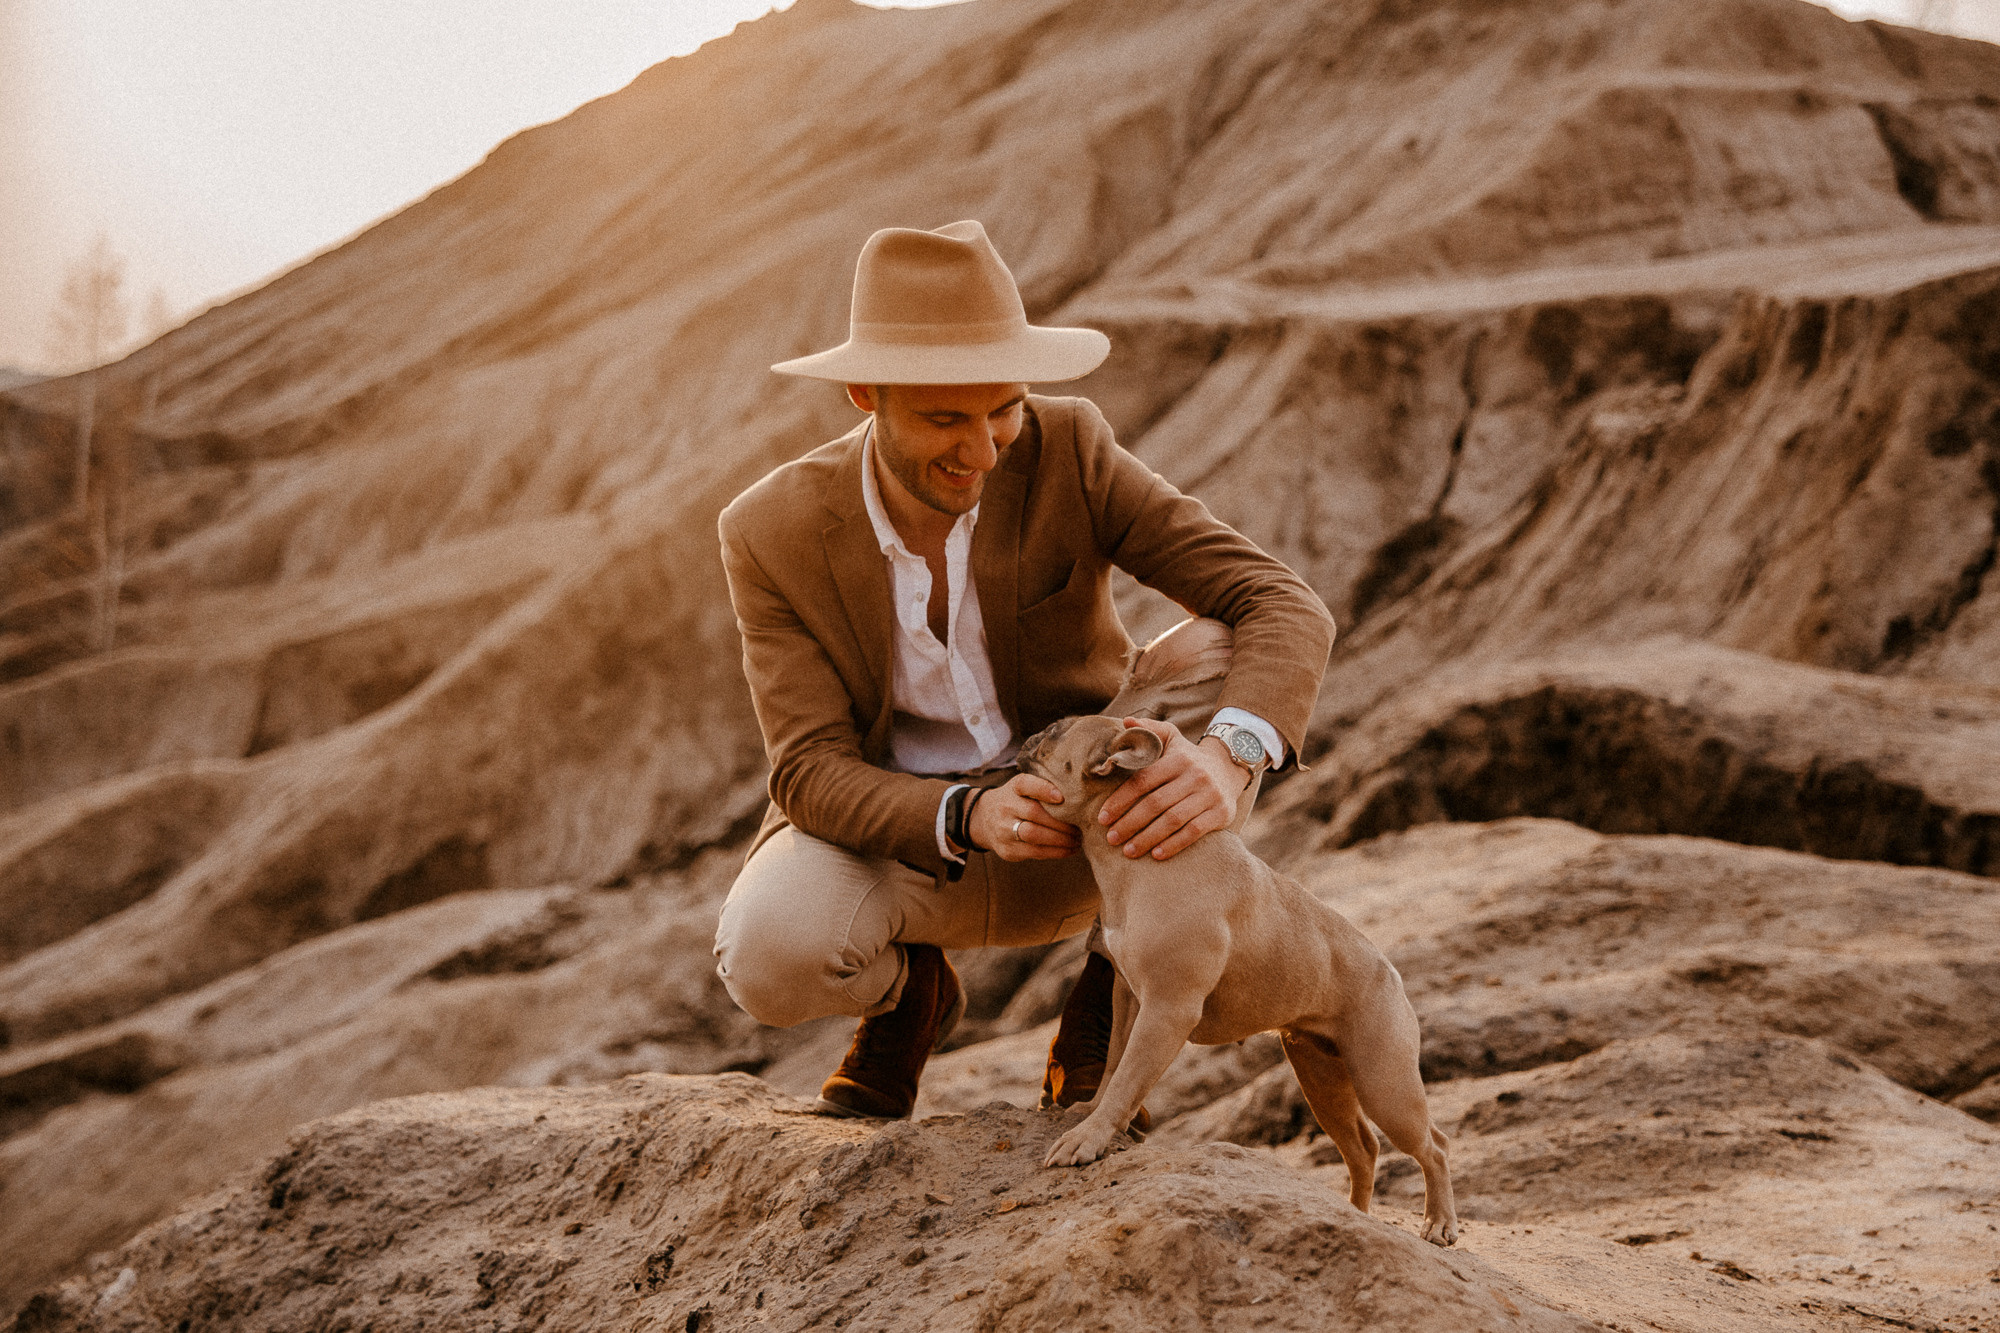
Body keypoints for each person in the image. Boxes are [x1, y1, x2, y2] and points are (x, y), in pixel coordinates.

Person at [713, 220, 1335, 1120]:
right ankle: (909, 997)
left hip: (1096, 818)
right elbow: (807, 768)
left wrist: (1228, 757)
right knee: (770, 956)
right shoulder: (767, 530)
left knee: (1225, 648)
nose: (985, 449)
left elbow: (1279, 600)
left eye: (1002, 407)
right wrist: (967, 812)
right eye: (944, 419)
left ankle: (1103, 994)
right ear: (865, 394)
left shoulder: (1067, 447)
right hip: (916, 838)